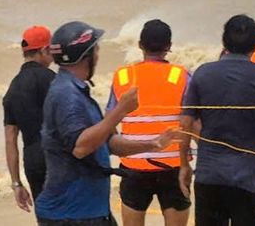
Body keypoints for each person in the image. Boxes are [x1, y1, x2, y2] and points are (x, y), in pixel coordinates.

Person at [35, 21, 178, 226]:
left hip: (90, 210)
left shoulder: (76, 91)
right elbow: (81, 146)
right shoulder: (66, 94)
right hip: (71, 214)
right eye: (96, 49)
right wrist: (121, 110)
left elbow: (108, 142)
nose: (98, 55)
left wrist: (152, 144)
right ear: (85, 55)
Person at [178, 14, 255, 226]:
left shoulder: (203, 74)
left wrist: (184, 164)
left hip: (208, 176)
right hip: (247, 177)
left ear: (224, 42)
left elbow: (185, 123)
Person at [108, 19, 191, 226]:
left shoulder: (123, 76)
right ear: (169, 47)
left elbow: (109, 121)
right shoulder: (181, 75)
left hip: (133, 165)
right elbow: (191, 120)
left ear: (140, 45)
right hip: (173, 166)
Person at [3, 25, 56, 214]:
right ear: (43, 50)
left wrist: (16, 183)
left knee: (47, 218)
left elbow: (10, 139)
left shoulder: (12, 89)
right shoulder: (52, 79)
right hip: (56, 157)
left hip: (32, 161)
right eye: (51, 50)